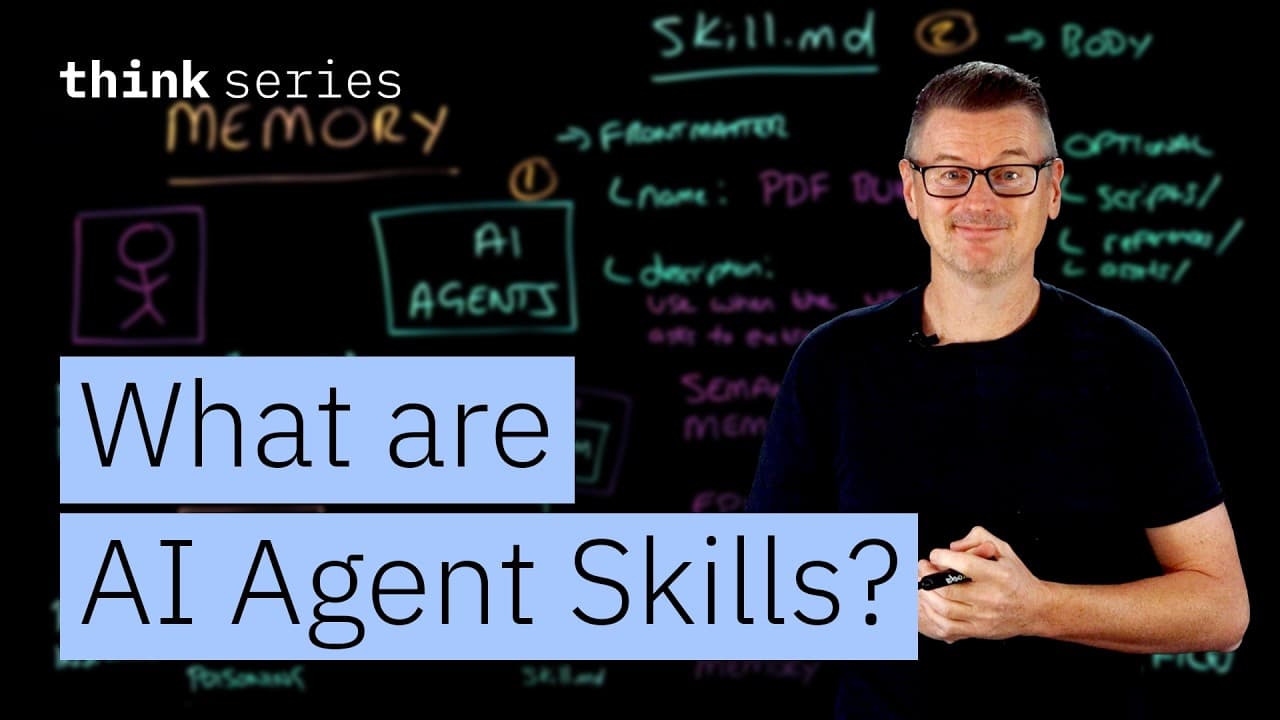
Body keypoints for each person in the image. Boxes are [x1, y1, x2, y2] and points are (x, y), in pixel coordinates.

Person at [745, 61, 1248, 719]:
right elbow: (753, 586)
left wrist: (1035, 607)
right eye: (951, 173)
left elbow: (1221, 608)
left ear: (1053, 188)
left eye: (1010, 174)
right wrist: (892, 599)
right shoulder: (833, 363)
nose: (978, 202)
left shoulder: (1130, 363)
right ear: (911, 189)